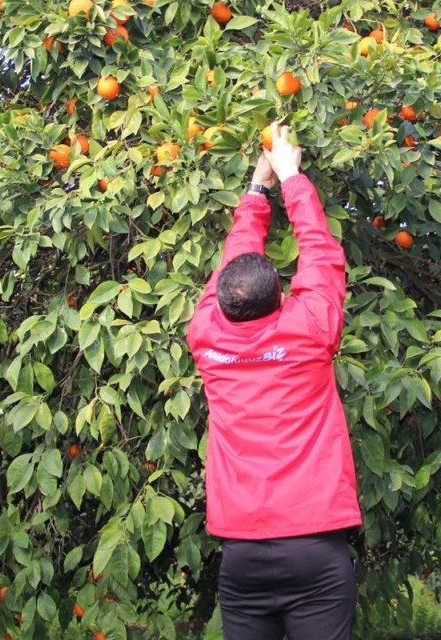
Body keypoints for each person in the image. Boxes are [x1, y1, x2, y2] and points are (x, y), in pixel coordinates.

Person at [187, 123, 360, 640]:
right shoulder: (307, 329)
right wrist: (291, 178)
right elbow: (320, 252)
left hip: (242, 553)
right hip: (315, 547)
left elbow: (232, 264)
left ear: (221, 300)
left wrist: (257, 188)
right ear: (281, 298)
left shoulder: (205, 337)